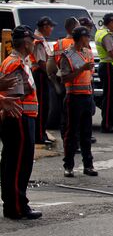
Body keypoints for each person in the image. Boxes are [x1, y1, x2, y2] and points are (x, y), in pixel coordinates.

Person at [0, 26, 42, 220]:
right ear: (26, 43)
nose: (34, 44)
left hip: (22, 117)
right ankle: (17, 206)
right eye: (32, 41)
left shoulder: (18, 61)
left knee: (12, 162)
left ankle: (13, 204)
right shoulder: (15, 64)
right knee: (19, 164)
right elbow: (17, 92)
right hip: (20, 117)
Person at [60, 27, 97, 177]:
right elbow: (64, 78)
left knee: (87, 133)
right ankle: (68, 165)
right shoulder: (67, 55)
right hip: (74, 97)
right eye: (87, 36)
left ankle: (88, 165)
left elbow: (91, 74)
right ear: (81, 38)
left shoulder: (88, 52)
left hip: (87, 96)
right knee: (72, 133)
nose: (89, 38)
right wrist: (82, 69)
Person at [47, 17, 79, 138]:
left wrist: (54, 79)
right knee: (73, 114)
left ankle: (65, 137)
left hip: (61, 79)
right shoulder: (78, 44)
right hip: (74, 83)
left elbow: (50, 65)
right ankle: (72, 139)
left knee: (64, 112)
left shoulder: (58, 44)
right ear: (74, 28)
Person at [30, 16, 56, 145]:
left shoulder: (40, 39)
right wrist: (51, 75)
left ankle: (41, 132)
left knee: (44, 106)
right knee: (42, 106)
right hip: (40, 75)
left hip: (41, 74)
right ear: (45, 27)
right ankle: (39, 135)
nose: (52, 29)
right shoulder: (38, 41)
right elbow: (41, 62)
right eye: (51, 27)